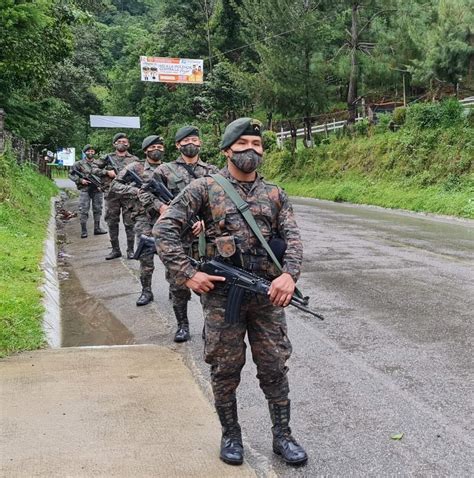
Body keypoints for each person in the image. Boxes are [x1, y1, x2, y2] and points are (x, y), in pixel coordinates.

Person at [154, 118, 308, 466]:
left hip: (268, 297)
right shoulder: (204, 189)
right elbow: (164, 229)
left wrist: (290, 276)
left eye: (257, 144)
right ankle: (231, 435)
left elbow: (294, 239)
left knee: (274, 367)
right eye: (242, 144)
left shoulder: (276, 194)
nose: (250, 150)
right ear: (226, 150)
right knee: (225, 368)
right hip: (223, 300)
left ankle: (283, 436)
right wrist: (188, 273)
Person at [151, 126, 219, 342]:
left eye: (195, 140)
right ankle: (182, 325)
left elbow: (222, 204)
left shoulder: (212, 171)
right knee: (178, 284)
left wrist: (207, 225)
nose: (192, 143)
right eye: (187, 140)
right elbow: (145, 192)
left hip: (205, 241)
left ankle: (209, 327)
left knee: (210, 285)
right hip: (177, 239)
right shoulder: (164, 170)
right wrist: (161, 207)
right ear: (178, 145)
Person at [110, 135, 165, 306]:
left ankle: (175, 289)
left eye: (160, 147)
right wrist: (134, 190)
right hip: (143, 218)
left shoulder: (168, 168)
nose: (157, 149)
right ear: (146, 149)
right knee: (146, 258)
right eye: (153, 146)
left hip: (165, 218)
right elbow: (115, 185)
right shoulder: (135, 167)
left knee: (171, 255)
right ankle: (146, 291)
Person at [93, 133, 139, 260]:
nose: (122, 143)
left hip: (128, 195)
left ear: (128, 144)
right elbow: (92, 168)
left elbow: (141, 175)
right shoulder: (107, 157)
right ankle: (115, 250)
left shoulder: (134, 159)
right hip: (111, 194)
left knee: (129, 223)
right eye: (119, 141)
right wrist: (106, 172)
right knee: (112, 222)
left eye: (125, 141)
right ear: (114, 144)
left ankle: (130, 250)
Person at [69, 144, 107, 238]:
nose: (90, 152)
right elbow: (71, 174)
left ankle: (97, 228)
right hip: (85, 190)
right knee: (84, 209)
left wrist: (102, 185)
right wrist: (80, 180)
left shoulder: (99, 163)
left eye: (92, 151)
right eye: (88, 151)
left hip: (97, 190)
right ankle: (84, 230)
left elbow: (103, 175)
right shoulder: (79, 164)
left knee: (98, 209)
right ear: (85, 152)